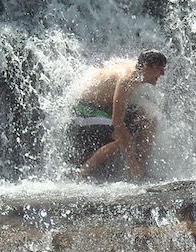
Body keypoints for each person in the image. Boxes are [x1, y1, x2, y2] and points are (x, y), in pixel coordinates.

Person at [70, 50, 167, 180]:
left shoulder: (137, 72)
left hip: (106, 108)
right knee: (121, 139)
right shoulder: (127, 80)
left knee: (149, 120)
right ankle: (80, 174)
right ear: (146, 67)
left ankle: (142, 171)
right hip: (87, 109)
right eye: (160, 69)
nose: (163, 73)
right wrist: (132, 162)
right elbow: (118, 122)